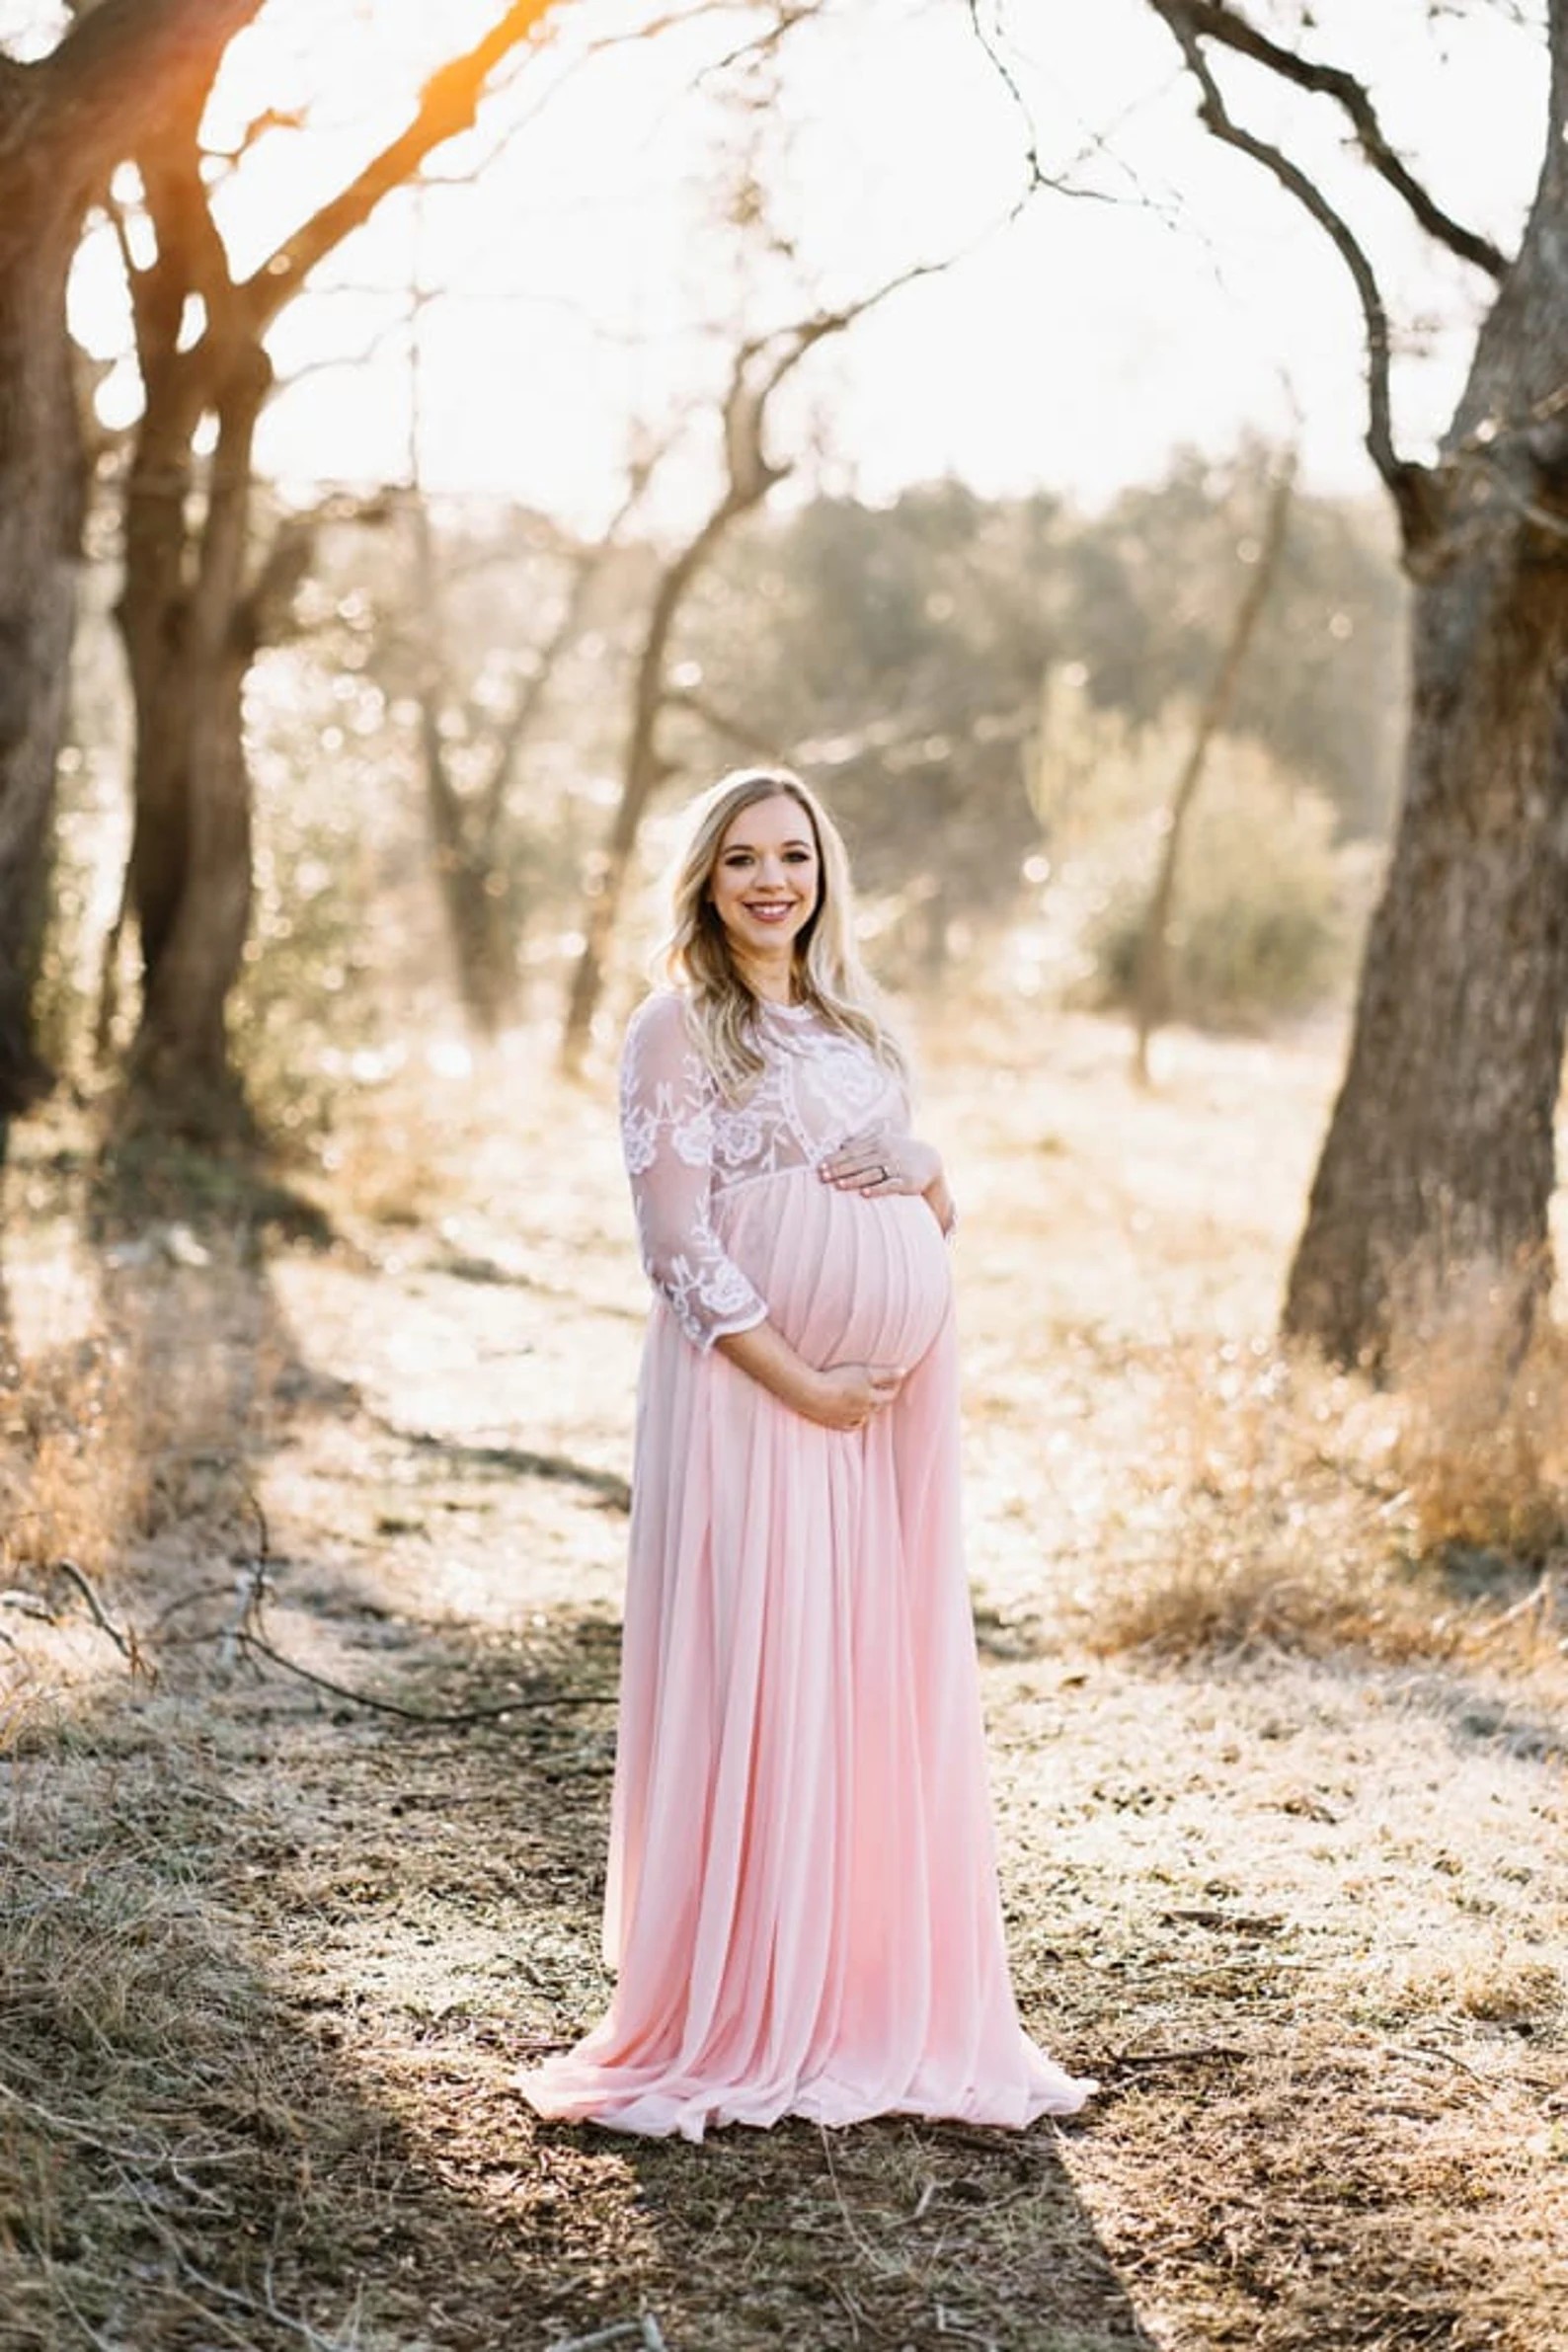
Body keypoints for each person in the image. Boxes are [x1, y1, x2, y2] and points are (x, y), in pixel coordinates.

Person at [516, 767, 1094, 2141]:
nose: (771, 880)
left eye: (793, 854)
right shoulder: (676, 1030)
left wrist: (920, 1164)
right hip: (756, 1398)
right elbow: (676, 1249)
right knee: (764, 1670)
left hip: (875, 1415)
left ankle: (857, 1977)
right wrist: (802, 1380)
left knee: (861, 1673)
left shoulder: (852, 1021)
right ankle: (749, 1991)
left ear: (822, 869)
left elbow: (932, 1198)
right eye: (741, 860)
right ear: (705, 882)